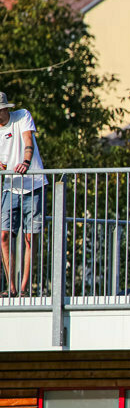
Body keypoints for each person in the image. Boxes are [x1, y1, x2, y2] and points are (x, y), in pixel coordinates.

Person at [0, 92, 47, 298]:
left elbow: (28, 140)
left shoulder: (22, 116)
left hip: (33, 184)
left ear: (5, 109)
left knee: (29, 237)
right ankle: (11, 286)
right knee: (4, 235)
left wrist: (26, 162)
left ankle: (25, 287)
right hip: (11, 187)